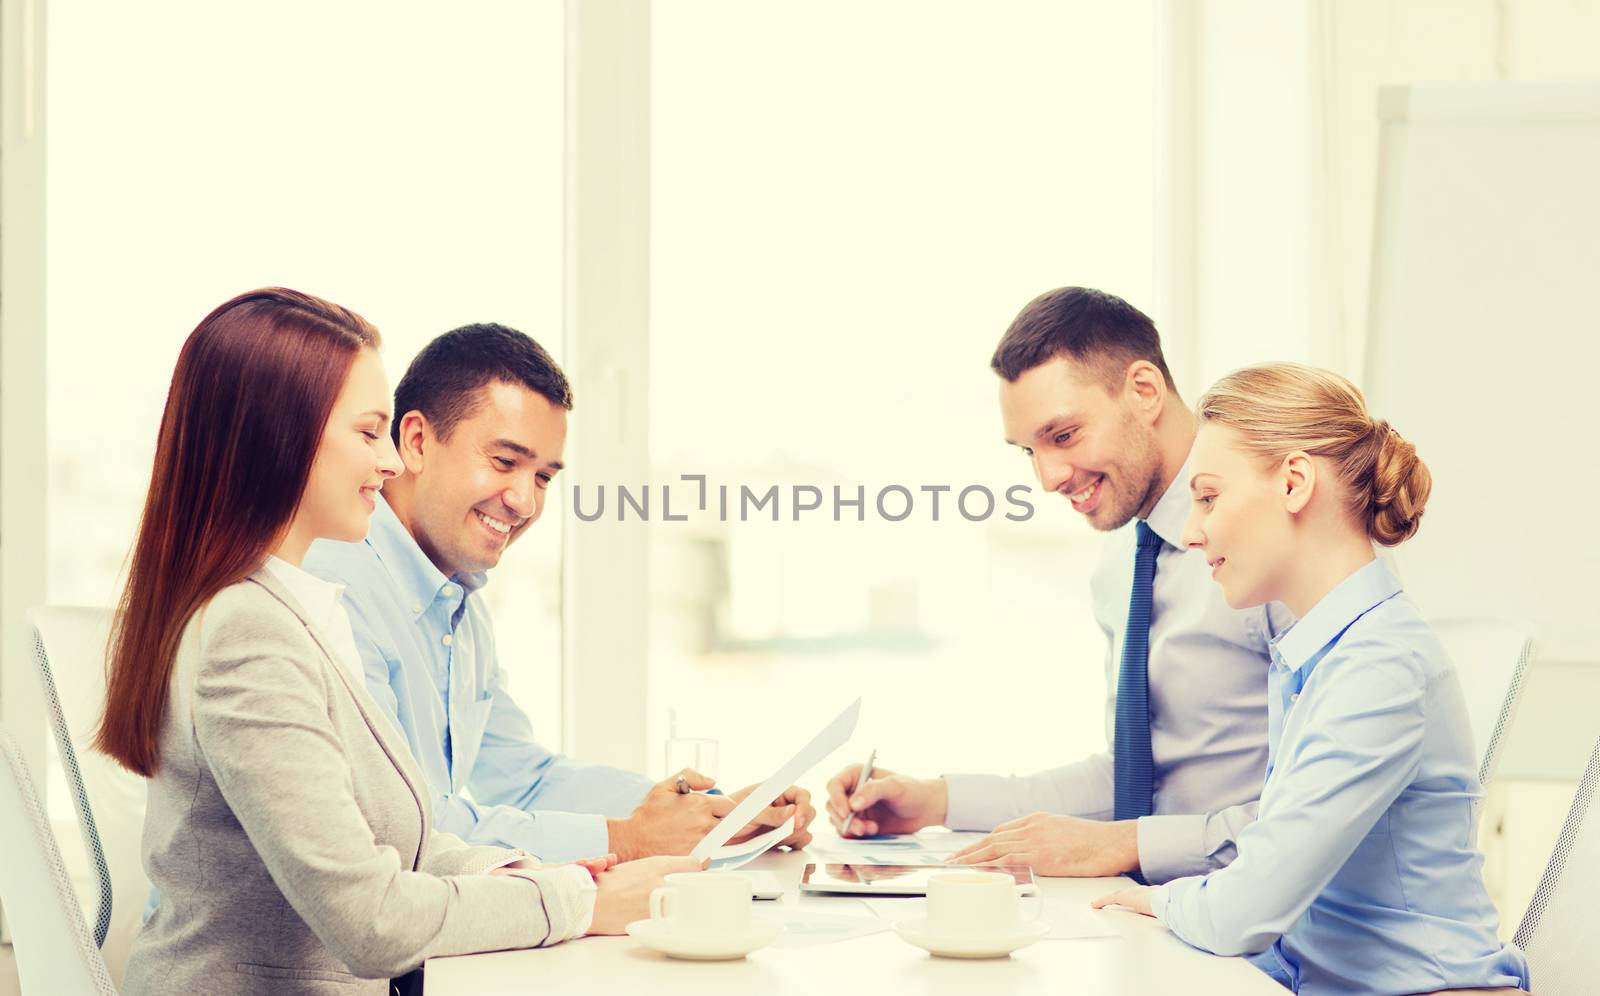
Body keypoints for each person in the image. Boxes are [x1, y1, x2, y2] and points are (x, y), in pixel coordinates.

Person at [99, 290, 693, 996]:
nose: (388, 464)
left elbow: (395, 841)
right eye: (369, 432)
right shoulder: (249, 634)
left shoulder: (293, 610)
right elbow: (370, 918)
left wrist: (539, 874)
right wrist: (581, 902)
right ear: (281, 435)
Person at [825, 287, 1290, 884]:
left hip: (1278, 937)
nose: (1047, 478)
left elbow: (1318, 816)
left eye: (1064, 436)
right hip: (1173, 914)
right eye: (1028, 452)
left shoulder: (1271, 537)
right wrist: (936, 801)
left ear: (1144, 391)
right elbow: (1133, 779)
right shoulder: (1121, 560)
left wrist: (1125, 846)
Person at [1091, 362, 1529, 995]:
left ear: (1295, 482)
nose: (1191, 531)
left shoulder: (1379, 667)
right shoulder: (1319, 655)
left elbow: (1243, 913)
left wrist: (1160, 902)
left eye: (1209, 497)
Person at [304, 323, 815, 864]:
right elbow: (405, 829)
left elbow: (525, 778)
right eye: (504, 462)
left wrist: (703, 814)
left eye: (544, 477)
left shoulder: (458, 601)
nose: (525, 501)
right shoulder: (335, 590)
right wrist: (628, 839)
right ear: (416, 441)